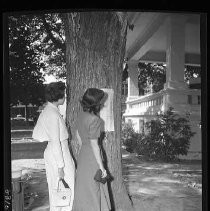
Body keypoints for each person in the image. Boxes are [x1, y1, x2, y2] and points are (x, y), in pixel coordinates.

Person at [32, 81, 75, 211]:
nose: (65, 97)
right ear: (58, 96)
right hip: (58, 154)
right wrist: (61, 166)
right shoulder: (51, 114)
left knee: (59, 190)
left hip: (58, 152)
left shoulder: (50, 110)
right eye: (64, 94)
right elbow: (56, 141)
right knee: (64, 190)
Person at [72, 88, 111, 211]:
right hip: (92, 158)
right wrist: (102, 167)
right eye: (101, 101)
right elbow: (94, 145)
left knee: (84, 190)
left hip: (83, 155)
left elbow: (77, 136)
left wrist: (84, 147)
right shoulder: (95, 120)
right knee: (94, 190)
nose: (102, 104)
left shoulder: (81, 115)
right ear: (96, 104)